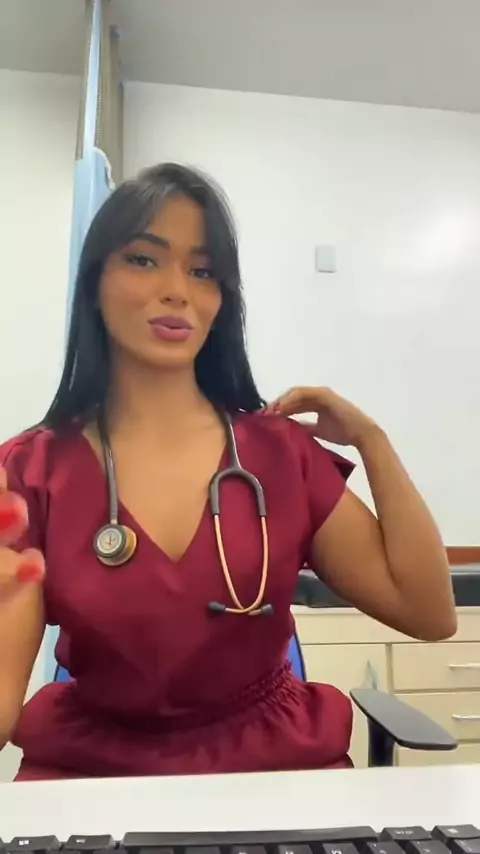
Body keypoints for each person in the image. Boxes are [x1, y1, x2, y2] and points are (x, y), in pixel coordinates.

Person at [0, 163, 455, 782]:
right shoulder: (30, 472)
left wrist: (373, 443)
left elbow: (428, 614)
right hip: (91, 774)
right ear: (95, 280)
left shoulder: (281, 454)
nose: (177, 291)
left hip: (275, 770)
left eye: (203, 271)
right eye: (143, 260)